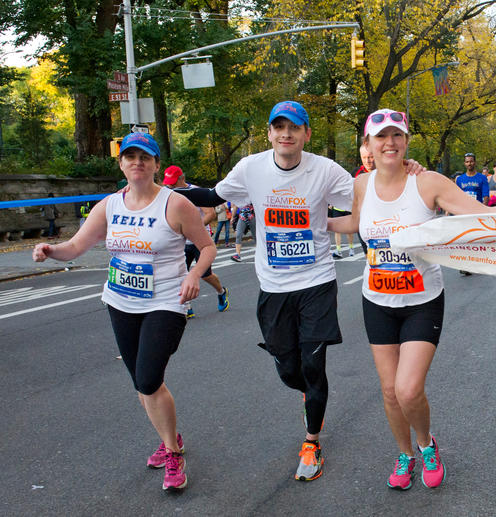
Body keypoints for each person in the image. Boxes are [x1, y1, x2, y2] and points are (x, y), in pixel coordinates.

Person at [169, 100, 428, 482]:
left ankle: (312, 441)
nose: (286, 133)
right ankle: (306, 391)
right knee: (291, 370)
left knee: (312, 365)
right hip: (272, 287)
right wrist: (162, 191)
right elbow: (213, 197)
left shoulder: (324, 170)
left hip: (316, 283)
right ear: (270, 133)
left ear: (306, 134)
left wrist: (407, 170)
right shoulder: (251, 169)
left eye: (295, 127)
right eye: (279, 127)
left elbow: (369, 196)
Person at [32, 133, 216, 491]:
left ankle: (173, 455)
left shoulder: (175, 204)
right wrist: (50, 250)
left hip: (166, 301)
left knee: (148, 379)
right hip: (120, 301)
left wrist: (194, 274)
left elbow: (206, 247)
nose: (137, 162)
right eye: (129, 156)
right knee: (141, 382)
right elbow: (76, 246)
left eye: (144, 157)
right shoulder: (109, 206)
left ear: (156, 165)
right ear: (121, 163)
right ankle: (170, 440)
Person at [328, 108, 496, 491]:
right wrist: (317, 222)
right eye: (381, 137)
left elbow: (482, 217)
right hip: (377, 301)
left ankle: (426, 445)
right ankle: (404, 454)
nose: (390, 143)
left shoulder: (427, 182)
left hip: (422, 300)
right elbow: (355, 222)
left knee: (407, 388)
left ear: (406, 141)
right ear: (368, 145)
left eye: (397, 136)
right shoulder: (361, 186)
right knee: (389, 391)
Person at [162, 165, 229, 316]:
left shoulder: (195, 192)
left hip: (199, 241)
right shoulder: (167, 192)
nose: (170, 185)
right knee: (179, 274)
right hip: (181, 242)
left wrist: (192, 229)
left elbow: (210, 213)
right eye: (168, 182)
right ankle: (186, 305)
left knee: (206, 275)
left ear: (182, 179)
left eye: (173, 182)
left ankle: (221, 291)